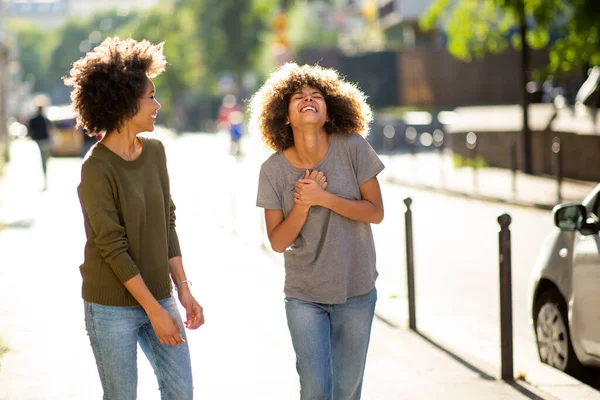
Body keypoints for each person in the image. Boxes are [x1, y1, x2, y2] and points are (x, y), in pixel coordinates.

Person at [64, 37, 204, 399]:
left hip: (159, 294)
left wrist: (183, 290)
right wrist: (153, 311)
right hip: (110, 307)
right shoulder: (96, 168)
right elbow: (113, 247)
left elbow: (166, 223)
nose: (158, 105)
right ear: (126, 103)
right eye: (151, 97)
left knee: (181, 393)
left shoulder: (156, 152)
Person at [250, 63, 385, 399]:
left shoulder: (353, 147)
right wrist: (303, 203)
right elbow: (278, 242)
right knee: (315, 391)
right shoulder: (273, 170)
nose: (308, 99)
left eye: (316, 96)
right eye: (298, 96)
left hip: (355, 289)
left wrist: (323, 197)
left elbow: (376, 212)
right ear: (284, 116)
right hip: (305, 295)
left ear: (328, 112)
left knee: (346, 389)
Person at [27, 105, 53, 190]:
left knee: (43, 160)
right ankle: (45, 177)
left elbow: (30, 131)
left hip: (38, 141)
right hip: (45, 141)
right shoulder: (45, 119)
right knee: (45, 160)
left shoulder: (34, 119)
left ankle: (45, 177)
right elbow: (51, 129)